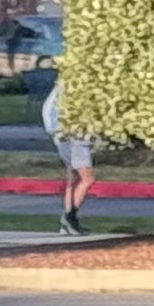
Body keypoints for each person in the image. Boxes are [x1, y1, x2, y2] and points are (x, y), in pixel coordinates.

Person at [40, 80, 95, 233]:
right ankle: (70, 217)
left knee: (74, 176)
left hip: (60, 133)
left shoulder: (61, 85)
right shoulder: (77, 85)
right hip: (74, 134)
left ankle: (68, 221)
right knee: (87, 177)